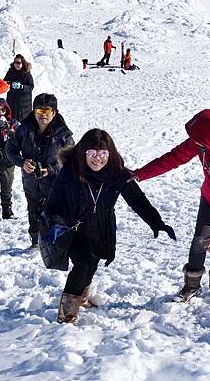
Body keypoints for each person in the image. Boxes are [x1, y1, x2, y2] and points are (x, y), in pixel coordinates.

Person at [43, 129, 176, 324]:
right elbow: (53, 203)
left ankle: (82, 297)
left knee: (93, 262)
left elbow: (136, 198)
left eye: (103, 154)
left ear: (110, 154)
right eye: (92, 154)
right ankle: (66, 314)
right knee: (83, 264)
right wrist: (56, 224)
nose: (98, 159)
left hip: (100, 228)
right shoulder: (70, 173)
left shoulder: (117, 173)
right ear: (83, 153)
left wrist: (155, 221)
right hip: (73, 230)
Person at [133, 109, 210, 301]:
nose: (195, 145)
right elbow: (173, 158)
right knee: (199, 242)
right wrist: (140, 174)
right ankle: (191, 286)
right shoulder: (202, 142)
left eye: (199, 142)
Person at [5, 93, 74, 248]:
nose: (43, 115)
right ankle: (35, 240)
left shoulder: (63, 134)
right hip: (30, 181)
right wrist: (22, 162)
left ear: (54, 113)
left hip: (54, 184)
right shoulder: (24, 129)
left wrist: (49, 170)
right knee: (33, 211)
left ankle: (51, 242)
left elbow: (71, 161)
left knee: (52, 213)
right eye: (39, 111)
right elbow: (10, 149)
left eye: (47, 111)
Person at [3, 54, 34, 123]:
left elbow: (31, 87)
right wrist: (9, 84)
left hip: (23, 103)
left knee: (22, 121)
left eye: (19, 63)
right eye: (15, 62)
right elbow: (5, 81)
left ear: (22, 63)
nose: (16, 64)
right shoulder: (10, 72)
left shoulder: (27, 74)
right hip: (12, 99)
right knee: (11, 119)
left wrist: (22, 87)